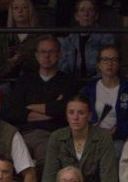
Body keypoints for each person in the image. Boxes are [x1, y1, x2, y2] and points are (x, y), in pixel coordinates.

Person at [4, 34, 76, 174]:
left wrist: (30, 107)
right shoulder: (25, 80)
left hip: (51, 135)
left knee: (47, 160)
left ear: (59, 54)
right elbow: (14, 112)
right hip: (24, 134)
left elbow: (65, 110)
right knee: (9, 160)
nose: (46, 56)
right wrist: (52, 107)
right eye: (43, 52)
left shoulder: (68, 81)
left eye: (51, 51)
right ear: (36, 55)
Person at [39, 94, 119, 182]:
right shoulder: (56, 137)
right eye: (71, 113)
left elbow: (109, 181)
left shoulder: (103, 137)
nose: (75, 117)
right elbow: (49, 178)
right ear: (66, 115)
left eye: (81, 113)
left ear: (89, 116)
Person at [81, 44, 128, 150]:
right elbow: (81, 113)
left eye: (114, 60)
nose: (109, 63)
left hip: (120, 138)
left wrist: (118, 130)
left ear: (119, 64)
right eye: (105, 59)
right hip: (93, 137)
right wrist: (91, 127)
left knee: (118, 148)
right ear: (98, 65)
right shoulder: (90, 88)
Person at [59, 0, 116, 80]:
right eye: (82, 10)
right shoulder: (69, 40)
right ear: (76, 16)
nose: (86, 14)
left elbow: (108, 66)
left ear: (96, 16)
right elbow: (63, 67)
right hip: (74, 82)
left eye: (90, 10)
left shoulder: (106, 37)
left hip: (99, 81)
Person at [0, 0, 40, 81]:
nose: (20, 11)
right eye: (16, 8)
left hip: (34, 82)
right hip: (9, 82)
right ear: (12, 13)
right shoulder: (3, 38)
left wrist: (25, 58)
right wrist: (11, 63)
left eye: (24, 7)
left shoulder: (41, 37)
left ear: (30, 10)